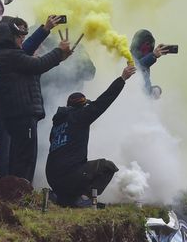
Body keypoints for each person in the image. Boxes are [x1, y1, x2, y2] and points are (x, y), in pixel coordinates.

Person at [0, 17, 72, 182]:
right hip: (21, 114)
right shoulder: (11, 55)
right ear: (10, 37)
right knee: (25, 158)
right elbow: (38, 65)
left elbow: (30, 56)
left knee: (18, 155)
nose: (22, 38)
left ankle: (13, 190)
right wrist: (58, 52)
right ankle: (20, 191)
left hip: (15, 114)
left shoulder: (7, 53)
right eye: (19, 35)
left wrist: (46, 31)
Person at [45, 63, 136, 208]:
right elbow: (103, 102)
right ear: (82, 107)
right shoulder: (80, 116)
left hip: (52, 178)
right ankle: (83, 198)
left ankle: (63, 198)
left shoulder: (57, 124)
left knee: (79, 170)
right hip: (69, 176)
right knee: (107, 167)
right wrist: (122, 79)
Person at [129, 29, 170, 97]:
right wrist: (153, 55)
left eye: (150, 44)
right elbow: (136, 69)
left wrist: (153, 90)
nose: (148, 47)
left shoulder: (146, 62)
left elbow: (143, 87)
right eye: (147, 44)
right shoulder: (127, 56)